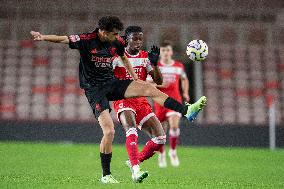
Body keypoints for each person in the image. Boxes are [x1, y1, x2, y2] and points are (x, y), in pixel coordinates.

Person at [30, 16, 206, 184]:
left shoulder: (117, 42)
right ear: (103, 32)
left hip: (111, 83)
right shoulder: (86, 40)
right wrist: (42, 37)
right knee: (109, 132)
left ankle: (186, 111)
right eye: (114, 34)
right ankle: (106, 175)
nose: (117, 37)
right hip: (94, 91)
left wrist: (133, 78)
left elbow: (123, 56)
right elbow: (63, 39)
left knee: (148, 88)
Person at [112, 26, 165, 182]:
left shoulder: (145, 57)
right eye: (135, 38)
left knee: (160, 138)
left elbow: (159, 81)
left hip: (141, 100)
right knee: (131, 130)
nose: (138, 42)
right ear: (126, 39)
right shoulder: (116, 57)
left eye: (140, 38)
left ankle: (134, 161)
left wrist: (155, 64)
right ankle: (136, 171)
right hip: (123, 98)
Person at [154, 40, 189, 168]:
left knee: (174, 126)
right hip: (160, 101)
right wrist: (160, 84)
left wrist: (185, 92)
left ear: (171, 52)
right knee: (161, 132)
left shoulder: (179, 66)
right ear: (160, 52)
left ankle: (173, 152)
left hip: (175, 100)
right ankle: (161, 153)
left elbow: (184, 80)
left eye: (168, 50)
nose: (166, 53)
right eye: (163, 50)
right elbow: (148, 84)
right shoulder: (156, 66)